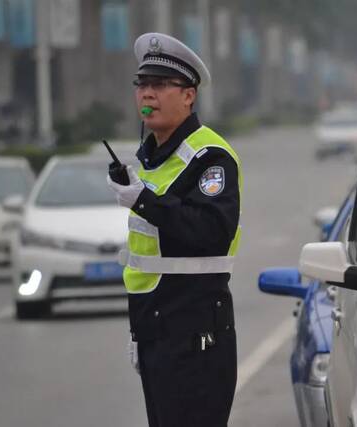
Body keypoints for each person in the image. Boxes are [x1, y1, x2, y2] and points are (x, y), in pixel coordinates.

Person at [106, 33, 242, 427]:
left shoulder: (209, 156)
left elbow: (211, 231)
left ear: (189, 95)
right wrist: (140, 334)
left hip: (197, 335)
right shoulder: (151, 157)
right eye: (143, 85)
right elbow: (148, 263)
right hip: (157, 331)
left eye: (161, 85)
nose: (148, 94)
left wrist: (144, 200)